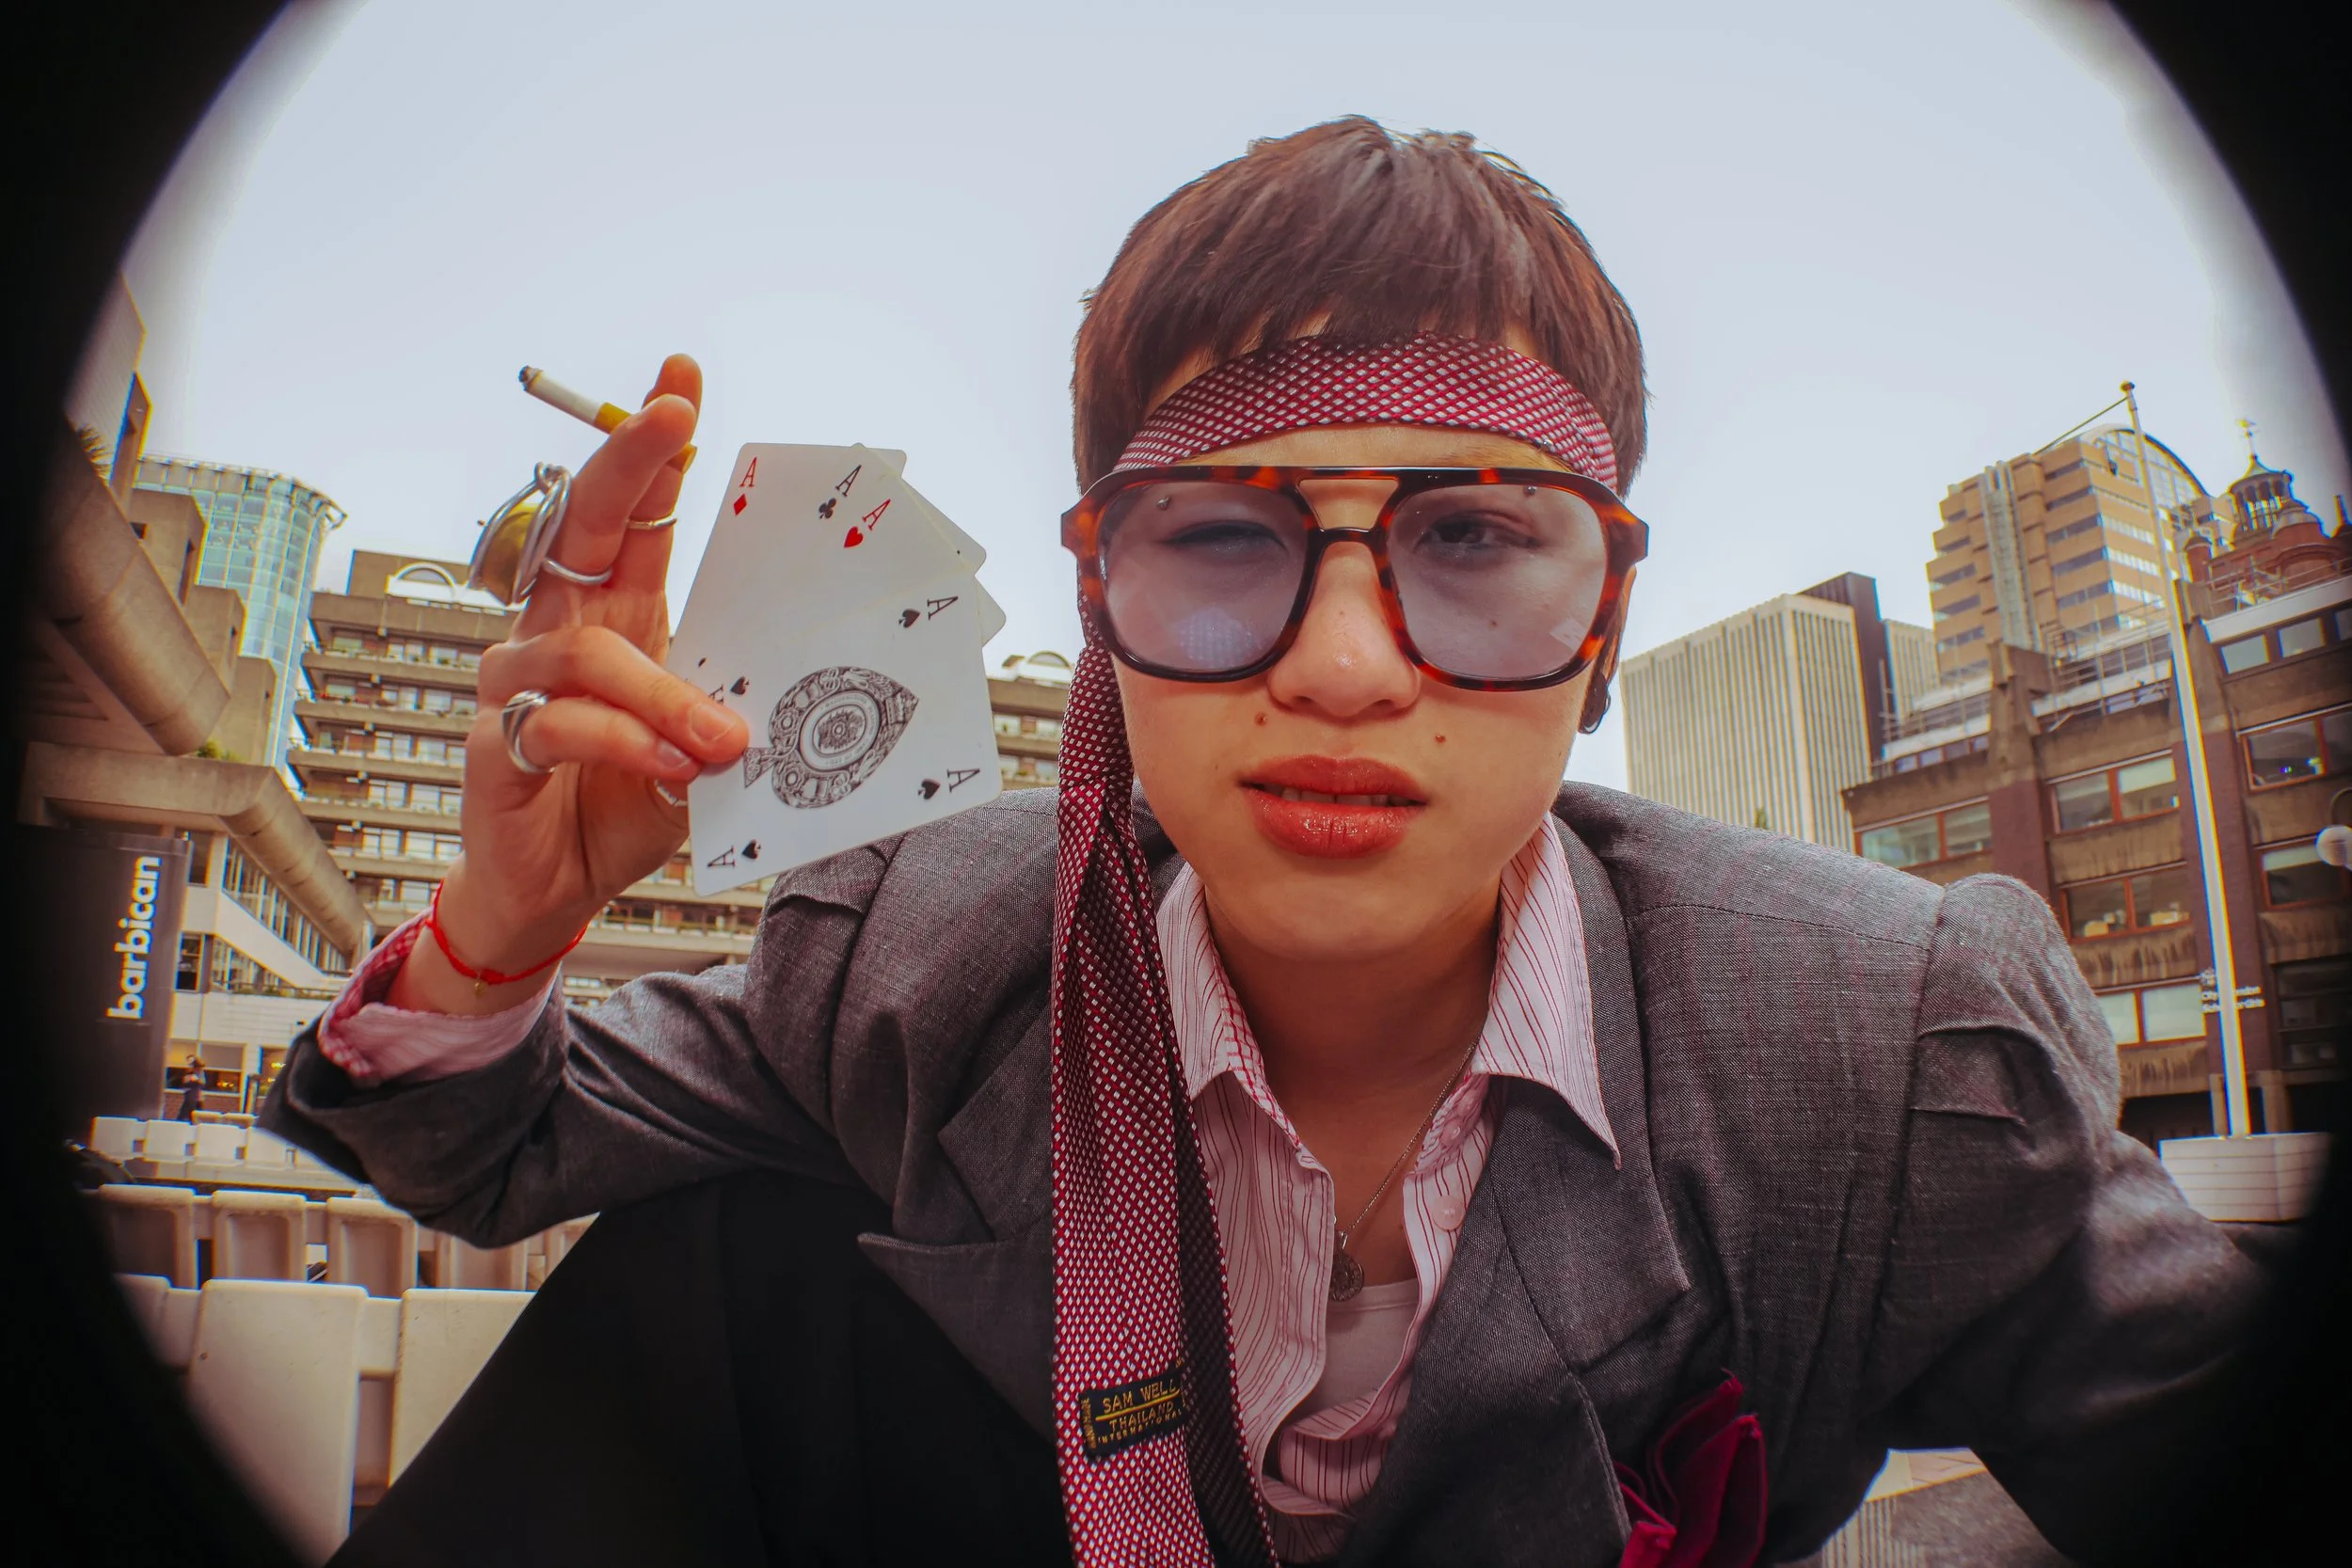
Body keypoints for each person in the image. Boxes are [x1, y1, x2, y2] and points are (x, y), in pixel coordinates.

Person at [264, 120, 2262, 1568]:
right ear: (1106, 606)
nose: (1333, 666)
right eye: (1220, 539)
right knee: (735, 1235)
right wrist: (504, 932)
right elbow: (480, 1140)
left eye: (1467, 541)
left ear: (1601, 637)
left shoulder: (1871, 1044)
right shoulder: (913, 953)